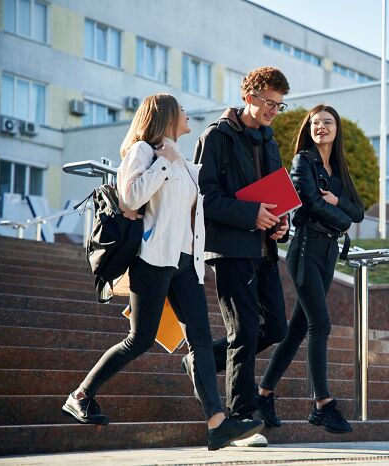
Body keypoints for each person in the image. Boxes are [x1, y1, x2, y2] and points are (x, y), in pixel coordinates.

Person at [61, 93, 263, 451]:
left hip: (185, 262)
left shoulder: (183, 161)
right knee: (139, 340)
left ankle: (217, 423)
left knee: (200, 341)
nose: (188, 115)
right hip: (152, 260)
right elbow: (129, 199)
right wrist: (162, 164)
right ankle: (80, 395)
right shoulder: (144, 151)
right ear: (168, 116)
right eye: (182, 110)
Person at [191, 67, 290, 439]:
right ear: (249, 96)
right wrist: (252, 214)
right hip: (230, 249)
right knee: (244, 330)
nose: (273, 111)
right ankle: (241, 417)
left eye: (279, 105)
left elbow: (277, 199)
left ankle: (202, 363)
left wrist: (281, 224)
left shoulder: (270, 141)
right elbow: (203, 197)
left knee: (276, 326)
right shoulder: (216, 137)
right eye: (269, 102)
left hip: (263, 249)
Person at [256, 105, 364, 434]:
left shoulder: (339, 168)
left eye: (327, 122)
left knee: (296, 330)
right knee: (321, 324)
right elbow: (307, 199)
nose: (321, 127)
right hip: (304, 249)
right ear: (309, 128)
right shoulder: (304, 160)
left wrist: (337, 204)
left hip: (328, 252)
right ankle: (323, 405)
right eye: (316, 123)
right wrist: (341, 218)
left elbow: (358, 211)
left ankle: (263, 394)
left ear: (336, 128)